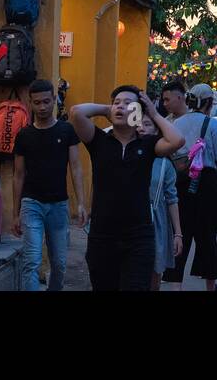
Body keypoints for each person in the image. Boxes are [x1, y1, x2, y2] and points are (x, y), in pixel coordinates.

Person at [71, 86, 184, 291]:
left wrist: (154, 113)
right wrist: (110, 109)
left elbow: (177, 140)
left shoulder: (148, 144)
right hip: (102, 237)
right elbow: (77, 112)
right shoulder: (99, 141)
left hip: (139, 238)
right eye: (117, 102)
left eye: (127, 103)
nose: (120, 106)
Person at [12, 79, 85, 292]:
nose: (42, 107)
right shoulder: (24, 135)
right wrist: (15, 213)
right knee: (31, 261)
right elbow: (18, 175)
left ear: (54, 99)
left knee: (59, 264)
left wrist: (81, 203)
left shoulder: (66, 131)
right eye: (37, 103)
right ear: (30, 103)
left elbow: (76, 168)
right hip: (31, 203)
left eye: (46, 101)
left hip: (59, 205)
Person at [162, 84, 217, 291]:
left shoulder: (176, 124)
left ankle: (175, 286)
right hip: (207, 183)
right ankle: (210, 286)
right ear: (208, 102)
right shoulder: (212, 124)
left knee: (181, 234)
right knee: (207, 236)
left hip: (181, 182)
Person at [138, 111, 181, 291]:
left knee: (154, 274)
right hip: (131, 219)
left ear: (157, 131)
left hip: (156, 222)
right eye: (138, 123)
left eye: (147, 124)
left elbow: (172, 198)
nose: (141, 128)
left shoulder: (164, 164)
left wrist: (178, 233)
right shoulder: (127, 153)